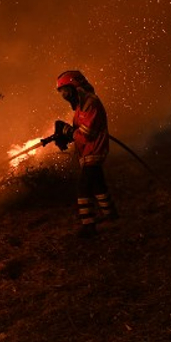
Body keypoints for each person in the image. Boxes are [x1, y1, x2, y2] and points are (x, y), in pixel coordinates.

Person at [52, 70, 119, 238]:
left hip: (94, 151)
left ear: (75, 86)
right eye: (61, 92)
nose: (64, 96)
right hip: (88, 151)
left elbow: (87, 135)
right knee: (98, 185)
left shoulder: (90, 103)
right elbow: (80, 131)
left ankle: (88, 226)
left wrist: (67, 131)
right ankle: (111, 215)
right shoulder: (82, 104)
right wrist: (66, 135)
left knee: (83, 187)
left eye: (65, 91)